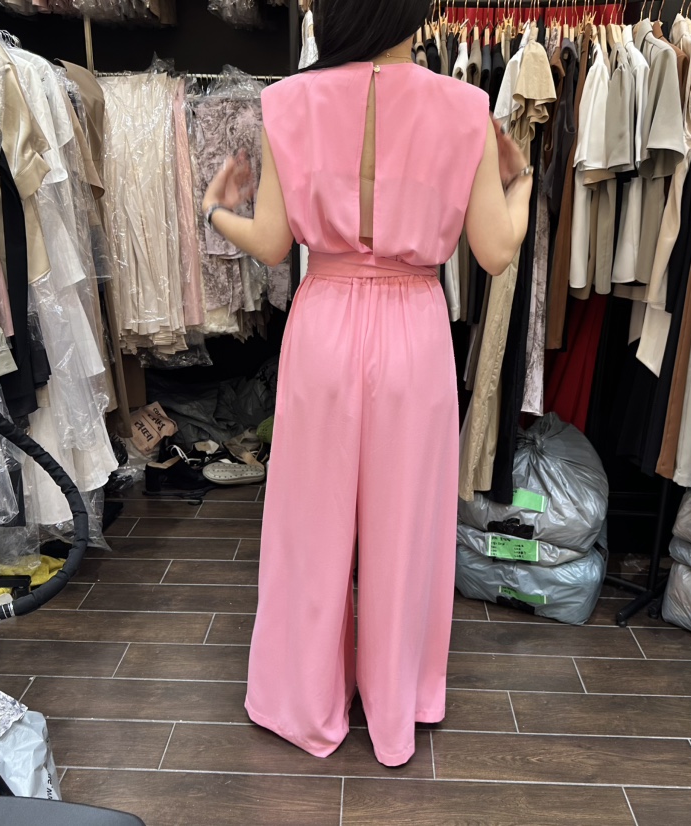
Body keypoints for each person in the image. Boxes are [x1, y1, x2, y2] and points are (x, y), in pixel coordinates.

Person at [202, 0, 532, 767]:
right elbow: (494, 252)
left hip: (324, 320)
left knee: (309, 523)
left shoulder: (289, 101)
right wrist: (519, 186)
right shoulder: (466, 107)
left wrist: (217, 209)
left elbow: (273, 243)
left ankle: (302, 697)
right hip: (415, 326)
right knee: (405, 525)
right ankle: (395, 700)